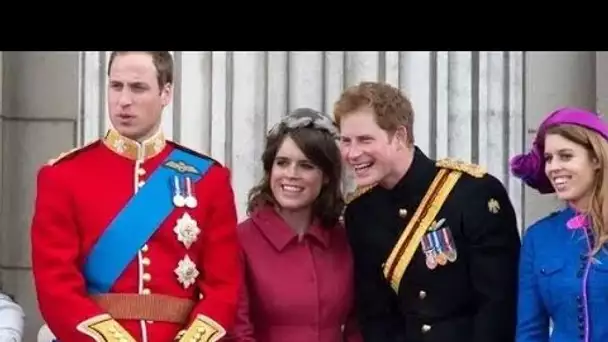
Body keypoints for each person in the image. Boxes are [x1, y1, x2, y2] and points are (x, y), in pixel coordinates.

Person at [30, 51, 240, 342]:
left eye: (138, 88)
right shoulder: (63, 176)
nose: (123, 101)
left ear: (166, 93)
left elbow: (224, 287)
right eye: (116, 86)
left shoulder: (209, 179)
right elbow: (56, 286)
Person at [333, 81, 521, 342]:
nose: (352, 153)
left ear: (399, 136)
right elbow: (375, 315)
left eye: (365, 140)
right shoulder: (361, 211)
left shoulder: (473, 192)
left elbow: (498, 307)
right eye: (345, 141)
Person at [227, 108, 362, 342]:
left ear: (327, 176)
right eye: (282, 163)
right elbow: (237, 332)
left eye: (306, 166)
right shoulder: (240, 241)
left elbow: (356, 326)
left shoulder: (344, 239)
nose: (291, 174)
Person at [510, 107, 608, 342]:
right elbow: (530, 331)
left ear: (596, 158)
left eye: (566, 156)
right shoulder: (539, 237)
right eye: (548, 158)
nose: (553, 167)